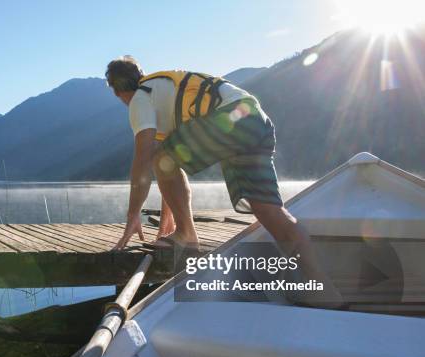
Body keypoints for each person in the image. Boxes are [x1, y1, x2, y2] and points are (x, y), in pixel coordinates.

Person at [106, 55, 343, 306]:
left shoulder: (140, 99)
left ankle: (187, 234)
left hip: (230, 118)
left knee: (160, 156)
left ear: (117, 90)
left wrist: (133, 214)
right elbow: (171, 162)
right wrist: (169, 216)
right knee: (268, 210)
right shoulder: (161, 91)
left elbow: (144, 159)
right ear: (138, 74)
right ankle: (323, 289)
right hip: (254, 120)